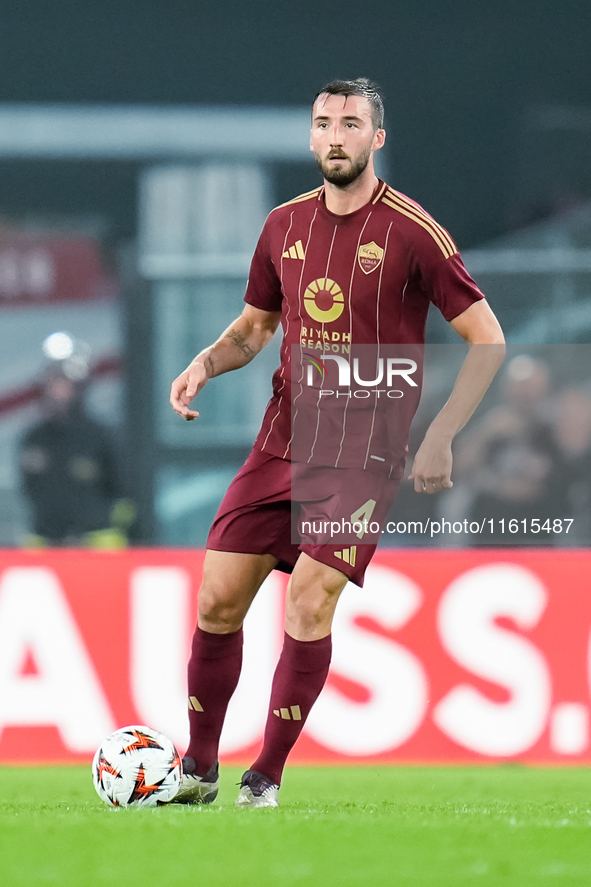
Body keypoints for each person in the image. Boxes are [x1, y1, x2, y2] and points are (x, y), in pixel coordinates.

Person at [169, 79, 505, 807]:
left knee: (306, 604)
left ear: (375, 139)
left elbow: (487, 339)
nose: (334, 136)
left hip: (361, 457)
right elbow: (255, 327)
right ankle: (197, 767)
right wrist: (204, 361)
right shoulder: (282, 225)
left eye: (350, 124)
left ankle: (265, 776)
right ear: (310, 136)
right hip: (279, 445)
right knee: (217, 603)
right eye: (322, 123)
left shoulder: (414, 231)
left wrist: (441, 434)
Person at [19, 335, 133, 547]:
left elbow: (124, 494)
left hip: (97, 551)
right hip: (46, 548)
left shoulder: (103, 437)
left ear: (80, 386)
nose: (57, 389)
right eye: (52, 380)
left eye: (63, 381)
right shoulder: (32, 440)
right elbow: (30, 491)